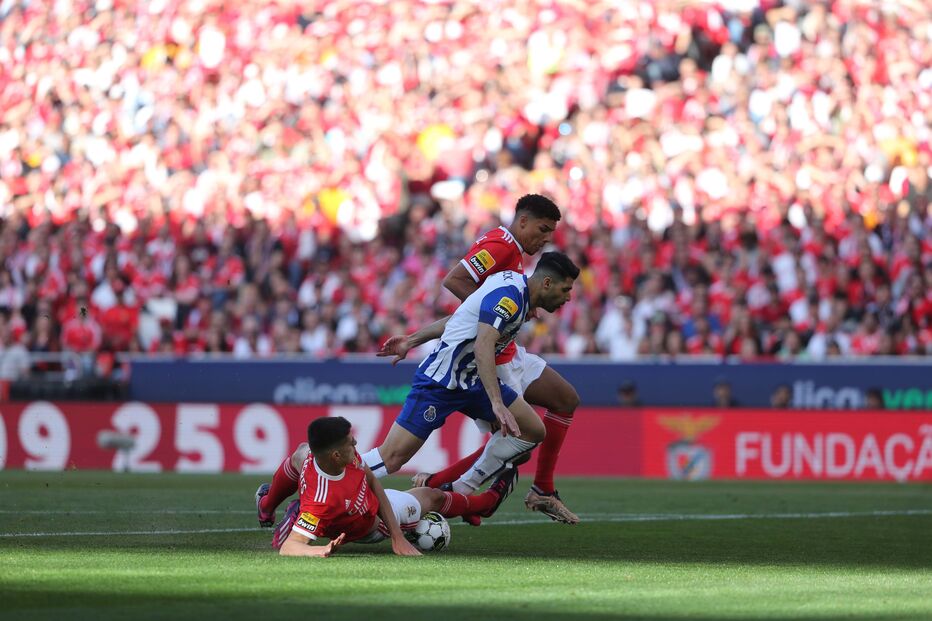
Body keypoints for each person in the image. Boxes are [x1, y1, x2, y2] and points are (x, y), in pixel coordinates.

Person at [256, 252, 578, 529]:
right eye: (565, 290)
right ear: (546, 283)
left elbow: (459, 320)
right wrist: (497, 401)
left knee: (532, 429)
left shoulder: (513, 286)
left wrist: (412, 340)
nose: (567, 298)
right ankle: (306, 472)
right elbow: (483, 344)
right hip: (441, 382)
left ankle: (462, 488)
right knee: (391, 458)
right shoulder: (510, 297)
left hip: (473, 380)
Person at [381, 194, 584, 525]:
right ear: (522, 222)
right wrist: (495, 321)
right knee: (517, 437)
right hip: (494, 355)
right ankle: (445, 488)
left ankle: (541, 489)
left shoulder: (512, 254)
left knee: (564, 400)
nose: (546, 238)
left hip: (508, 349)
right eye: (542, 229)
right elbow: (456, 281)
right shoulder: (502, 245)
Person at [274, 416, 517, 558]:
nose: (356, 443)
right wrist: (320, 550)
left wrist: (267, 505)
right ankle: (486, 504)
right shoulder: (322, 500)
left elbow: (370, 479)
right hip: (372, 526)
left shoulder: (323, 455)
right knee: (433, 497)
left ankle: (279, 506)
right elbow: (289, 547)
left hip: (371, 501)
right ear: (336, 455)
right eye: (351, 442)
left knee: (299, 450)